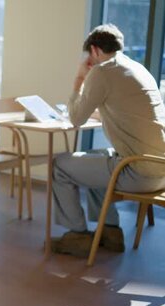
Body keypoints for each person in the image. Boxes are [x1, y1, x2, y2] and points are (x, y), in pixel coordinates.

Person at [51, 24, 165, 257]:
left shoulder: (102, 72)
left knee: (59, 165)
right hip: (160, 170)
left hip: (138, 172)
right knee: (96, 156)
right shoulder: (137, 68)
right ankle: (110, 232)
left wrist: (80, 78)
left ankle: (77, 235)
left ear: (94, 50)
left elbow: (75, 119)